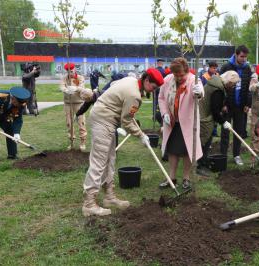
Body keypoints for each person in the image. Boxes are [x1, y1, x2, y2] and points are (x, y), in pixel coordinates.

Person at [82, 68, 164, 217]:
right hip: (103, 120)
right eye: (153, 87)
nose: (153, 91)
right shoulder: (134, 95)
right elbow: (126, 121)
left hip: (107, 120)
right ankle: (89, 204)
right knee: (99, 161)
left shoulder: (131, 81)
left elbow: (125, 111)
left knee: (110, 159)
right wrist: (140, 135)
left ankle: (109, 196)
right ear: (146, 80)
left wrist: (140, 132)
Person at [158, 57, 204, 190]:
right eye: (175, 75)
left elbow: (201, 91)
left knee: (186, 151)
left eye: (181, 75)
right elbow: (161, 97)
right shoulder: (167, 80)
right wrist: (165, 113)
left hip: (188, 122)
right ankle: (171, 179)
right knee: (172, 150)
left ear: (186, 71)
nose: (178, 77)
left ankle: (186, 178)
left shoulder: (193, 80)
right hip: (172, 122)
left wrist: (199, 92)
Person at [197, 70, 240, 176]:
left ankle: (204, 162)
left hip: (204, 113)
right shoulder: (218, 89)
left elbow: (215, 104)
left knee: (206, 140)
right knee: (205, 140)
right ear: (229, 82)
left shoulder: (216, 82)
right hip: (204, 117)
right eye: (233, 85)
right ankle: (200, 166)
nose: (233, 87)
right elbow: (215, 110)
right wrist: (224, 122)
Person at [219, 45, 252, 166]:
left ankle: (236, 155)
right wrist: (222, 104)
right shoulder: (226, 67)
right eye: (242, 56)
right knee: (225, 131)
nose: (244, 59)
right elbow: (220, 86)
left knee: (239, 131)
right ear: (236, 55)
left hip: (240, 106)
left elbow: (248, 88)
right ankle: (223, 155)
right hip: (228, 105)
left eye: (245, 57)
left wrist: (248, 103)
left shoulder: (247, 68)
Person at [60, 63, 92, 151]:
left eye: (71, 71)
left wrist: (75, 88)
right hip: (68, 104)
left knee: (81, 122)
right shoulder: (64, 78)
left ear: (74, 69)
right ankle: (71, 142)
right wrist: (66, 90)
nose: (70, 73)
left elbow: (82, 88)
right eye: (68, 71)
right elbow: (61, 86)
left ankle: (82, 142)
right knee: (69, 123)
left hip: (79, 103)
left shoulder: (80, 77)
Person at [0, 87, 31, 159]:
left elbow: (17, 119)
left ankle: (12, 155)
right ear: (13, 98)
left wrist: (17, 133)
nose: (18, 106)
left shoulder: (21, 104)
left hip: (3, 118)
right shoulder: (1, 95)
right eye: (17, 103)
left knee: (11, 131)